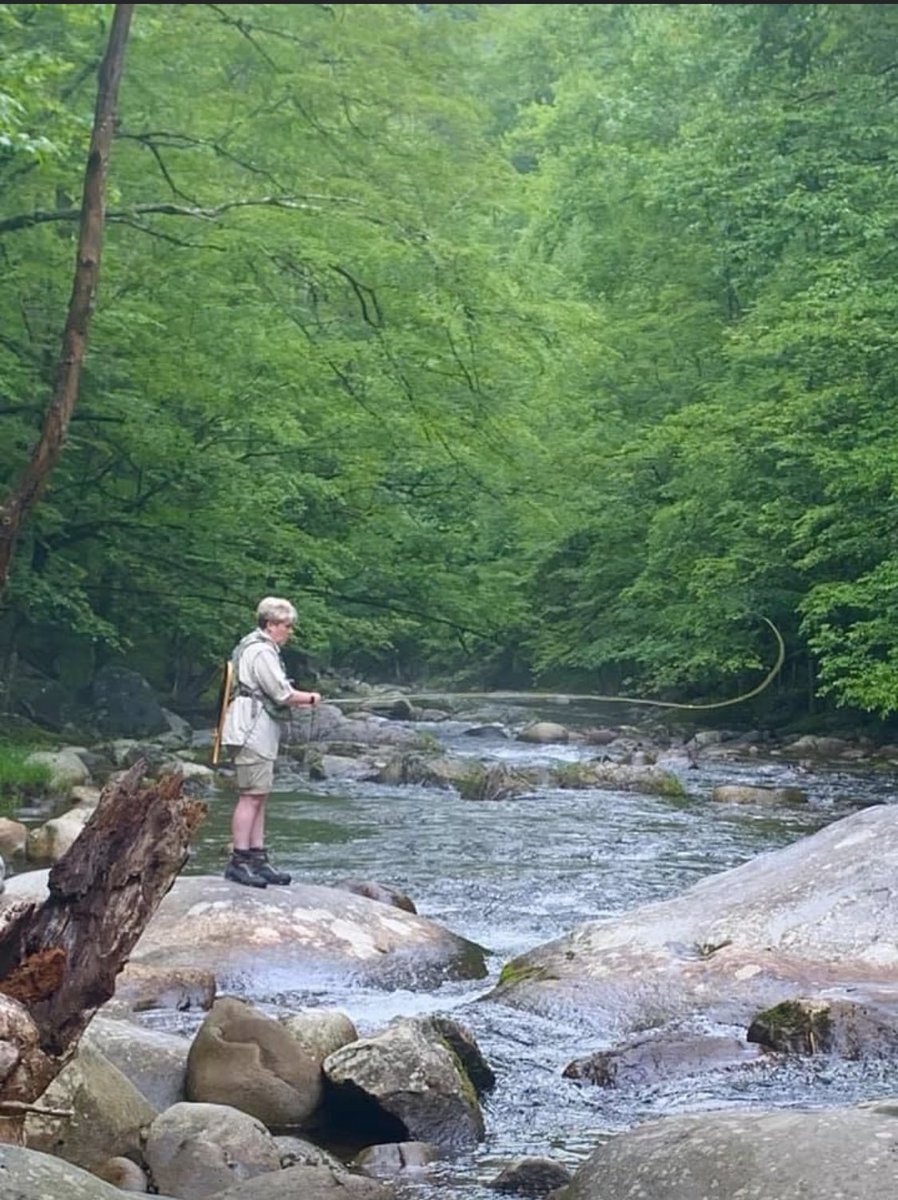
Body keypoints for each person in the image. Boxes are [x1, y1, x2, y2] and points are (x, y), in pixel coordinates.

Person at [220, 596, 320, 887]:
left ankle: (258, 860)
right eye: (287, 626)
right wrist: (311, 698)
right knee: (250, 795)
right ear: (271, 624)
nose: (289, 631)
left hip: (257, 729)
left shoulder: (255, 646)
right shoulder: (261, 651)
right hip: (251, 730)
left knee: (259, 794)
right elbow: (281, 693)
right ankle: (238, 862)